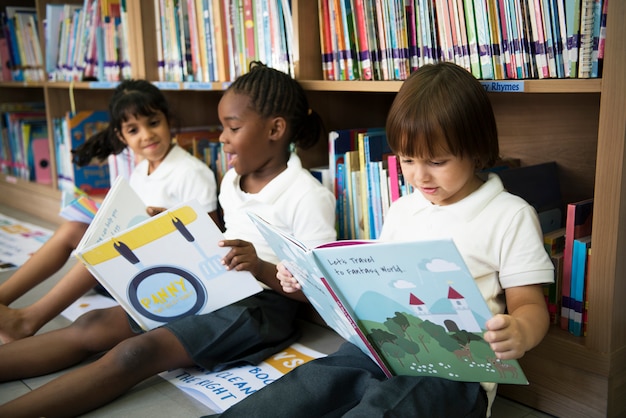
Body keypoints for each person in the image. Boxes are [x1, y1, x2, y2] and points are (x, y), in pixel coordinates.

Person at [212, 62, 555, 418]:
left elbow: (529, 304)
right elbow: (372, 285)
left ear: (476, 149)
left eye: (437, 161)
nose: (419, 175)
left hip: (457, 371)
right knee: (308, 386)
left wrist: (520, 332)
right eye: (407, 159)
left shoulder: (508, 214)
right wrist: (307, 279)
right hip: (383, 346)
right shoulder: (402, 209)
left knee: (387, 408)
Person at [0, 61, 336, 417]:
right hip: (214, 281)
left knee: (134, 354)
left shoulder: (308, 196)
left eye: (232, 127)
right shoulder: (231, 182)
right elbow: (223, 241)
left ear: (276, 129)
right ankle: (23, 326)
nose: (221, 137)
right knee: (91, 325)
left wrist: (261, 267)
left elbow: (319, 293)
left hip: (260, 307)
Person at [0, 79, 219, 343]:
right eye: (133, 130)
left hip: (168, 271)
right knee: (75, 228)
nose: (146, 135)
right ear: (121, 136)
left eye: (153, 123)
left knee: (108, 247)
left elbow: (211, 240)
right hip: (135, 260)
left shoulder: (192, 173)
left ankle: (26, 321)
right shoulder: (141, 171)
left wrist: (168, 223)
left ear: (168, 120)